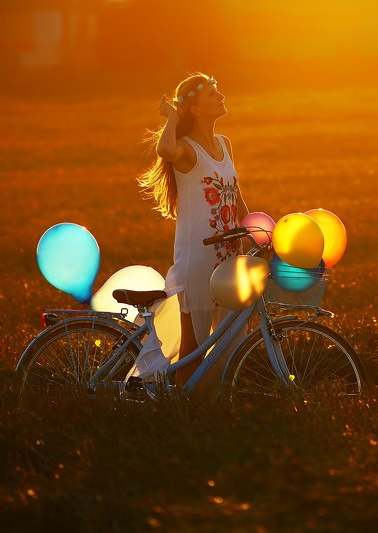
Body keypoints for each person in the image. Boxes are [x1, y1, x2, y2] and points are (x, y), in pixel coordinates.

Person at [138, 72, 249, 390]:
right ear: (196, 109)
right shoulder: (186, 150)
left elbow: (236, 198)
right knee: (194, 347)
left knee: (230, 339)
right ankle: (184, 407)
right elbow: (165, 150)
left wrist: (256, 229)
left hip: (230, 258)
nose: (221, 96)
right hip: (198, 261)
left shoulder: (225, 144)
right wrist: (172, 117)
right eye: (212, 93)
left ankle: (214, 400)